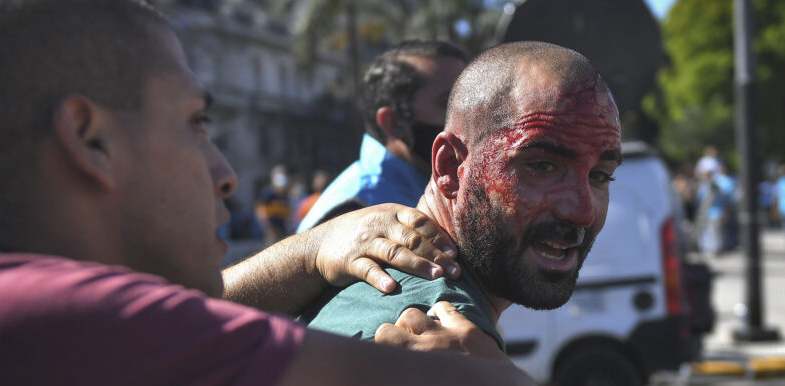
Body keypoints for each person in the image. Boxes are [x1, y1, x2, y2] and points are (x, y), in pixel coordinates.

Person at [0, 1, 549, 386]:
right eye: (194, 124)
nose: (225, 170)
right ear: (88, 138)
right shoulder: (45, 329)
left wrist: (308, 251)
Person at [301, 42, 623, 349]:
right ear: (451, 167)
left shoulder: (461, 345)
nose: (582, 212)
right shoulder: (436, 342)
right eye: (542, 166)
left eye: (600, 176)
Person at [297, 40, 467, 232]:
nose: (468, 113)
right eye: (447, 103)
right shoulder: (357, 211)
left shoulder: (424, 182)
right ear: (392, 123)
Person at [255, 164, 293, 244]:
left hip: (284, 231)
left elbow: (288, 213)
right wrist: (268, 229)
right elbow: (260, 212)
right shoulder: (267, 193)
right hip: (272, 232)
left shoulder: (285, 194)